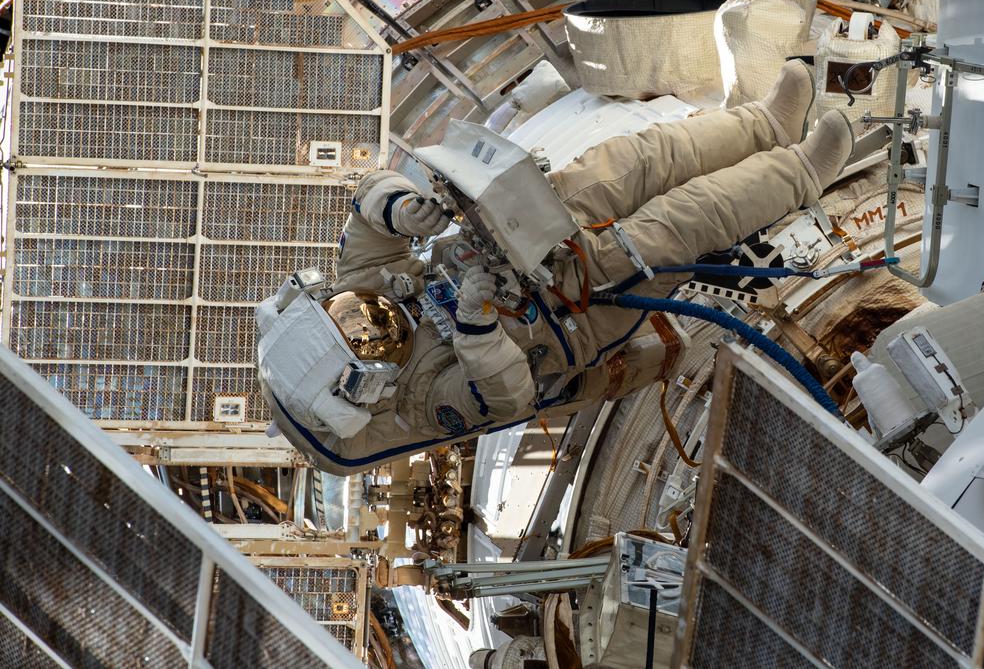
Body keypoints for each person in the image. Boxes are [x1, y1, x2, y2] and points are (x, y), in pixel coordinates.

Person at [256, 61, 856, 474]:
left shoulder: (356, 297)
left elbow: (365, 214)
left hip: (518, 238)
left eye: (350, 316)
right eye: (370, 338)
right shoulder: (420, 406)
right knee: (676, 224)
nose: (370, 319)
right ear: (363, 387)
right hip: (569, 309)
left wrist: (405, 211)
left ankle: (766, 125)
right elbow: (507, 395)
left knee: (630, 160)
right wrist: (475, 323)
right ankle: (803, 172)